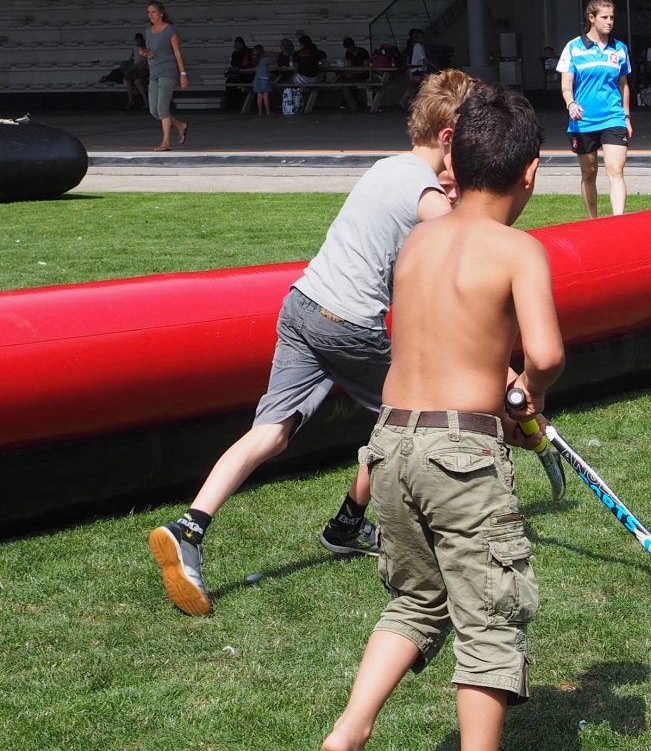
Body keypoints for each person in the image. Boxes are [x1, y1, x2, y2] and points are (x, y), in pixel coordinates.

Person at [319, 85, 562, 751]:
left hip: (388, 442)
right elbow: (544, 352)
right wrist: (529, 396)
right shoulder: (520, 249)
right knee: (490, 614)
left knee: (417, 600)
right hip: (462, 449)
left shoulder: (419, 240)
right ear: (531, 173)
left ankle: (351, 731)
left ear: (452, 155)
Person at [148, 71, 477, 617]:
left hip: (302, 305)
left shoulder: (388, 168)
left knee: (270, 432)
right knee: (411, 415)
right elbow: (464, 250)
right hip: (348, 325)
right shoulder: (427, 194)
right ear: (448, 137)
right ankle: (369, 527)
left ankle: (190, 528)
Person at [560, 0, 634, 219]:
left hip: (613, 118)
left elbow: (623, 85)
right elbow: (566, 85)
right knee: (589, 172)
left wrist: (626, 117)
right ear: (591, 18)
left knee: (616, 170)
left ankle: (618, 222)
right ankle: (593, 221)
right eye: (604, 17)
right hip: (583, 121)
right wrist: (571, 103)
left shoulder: (619, 49)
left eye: (612, 17)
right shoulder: (573, 48)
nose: (609, 22)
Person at [140, 0, 188, 151]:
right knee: (154, 110)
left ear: (161, 13)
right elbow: (151, 51)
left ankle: (165, 142)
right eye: (149, 12)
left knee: (162, 107)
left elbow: (177, 53)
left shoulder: (170, 30)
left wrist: (183, 73)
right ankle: (180, 125)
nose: (151, 15)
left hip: (168, 70)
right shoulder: (148, 30)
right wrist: (146, 53)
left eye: (153, 12)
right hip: (154, 71)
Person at [226, 36, 253, 113]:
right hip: (238, 74)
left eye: (239, 44)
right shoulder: (235, 53)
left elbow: (248, 64)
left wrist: (239, 68)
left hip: (246, 74)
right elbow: (234, 63)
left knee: (235, 82)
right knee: (229, 82)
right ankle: (232, 104)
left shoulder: (248, 52)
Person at [123, 33, 149, 111]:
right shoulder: (135, 48)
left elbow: (145, 61)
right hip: (135, 69)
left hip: (143, 69)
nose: (138, 42)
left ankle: (146, 101)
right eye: (137, 40)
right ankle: (131, 101)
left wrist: (135, 66)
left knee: (137, 82)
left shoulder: (146, 47)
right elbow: (132, 57)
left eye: (139, 40)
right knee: (129, 81)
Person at [251, 43, 273, 116]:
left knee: (259, 97)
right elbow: (272, 61)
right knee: (265, 96)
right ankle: (267, 111)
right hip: (264, 79)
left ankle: (260, 112)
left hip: (257, 79)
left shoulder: (255, 61)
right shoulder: (265, 59)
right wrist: (269, 54)